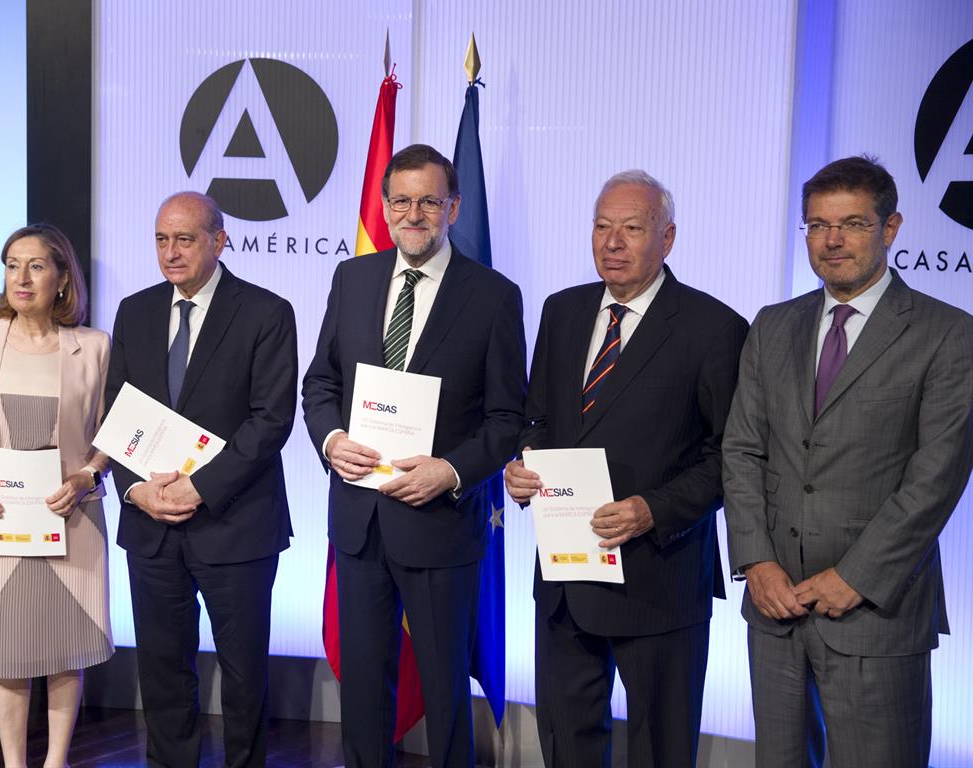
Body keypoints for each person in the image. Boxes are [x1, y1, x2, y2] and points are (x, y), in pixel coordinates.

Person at [723, 156, 973, 767]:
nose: (832, 240)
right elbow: (743, 448)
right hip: (775, 609)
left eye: (853, 224)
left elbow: (935, 480)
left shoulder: (948, 334)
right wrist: (756, 561)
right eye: (816, 225)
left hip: (875, 615)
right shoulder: (773, 325)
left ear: (890, 230)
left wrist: (854, 577)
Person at [504, 170, 748, 767]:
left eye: (631, 228)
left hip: (659, 576)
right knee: (566, 743)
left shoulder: (714, 328)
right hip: (566, 576)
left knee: (661, 750)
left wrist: (652, 510)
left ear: (667, 238)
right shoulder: (561, 311)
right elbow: (537, 418)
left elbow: (731, 457)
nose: (612, 242)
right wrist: (523, 465)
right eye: (601, 226)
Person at [302, 144, 527, 768]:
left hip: (441, 524)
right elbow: (320, 382)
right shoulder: (353, 278)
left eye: (429, 201)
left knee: (446, 690)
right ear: (384, 206)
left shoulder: (492, 295)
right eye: (401, 200)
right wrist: (331, 440)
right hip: (359, 519)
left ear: (453, 207)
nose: (414, 213)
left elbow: (507, 417)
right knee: (365, 691)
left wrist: (450, 471)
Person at [105, 191, 296, 768]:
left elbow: (271, 422)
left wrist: (200, 487)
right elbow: (117, 411)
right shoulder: (134, 310)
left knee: (242, 675)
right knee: (162, 669)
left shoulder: (266, 311)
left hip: (235, 524)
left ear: (220, 239)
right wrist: (136, 489)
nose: (171, 252)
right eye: (162, 239)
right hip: (151, 522)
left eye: (185, 239)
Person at [0, 224, 113, 768]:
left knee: (65, 648)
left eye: (36, 265)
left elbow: (110, 433)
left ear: (62, 278)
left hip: (70, 517)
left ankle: (55, 760)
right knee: (6, 648)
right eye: (12, 264)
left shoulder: (94, 347)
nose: (21, 277)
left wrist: (88, 475)